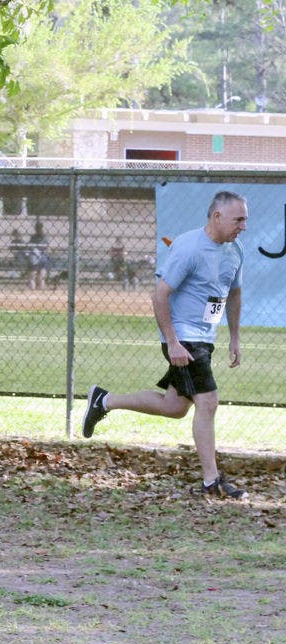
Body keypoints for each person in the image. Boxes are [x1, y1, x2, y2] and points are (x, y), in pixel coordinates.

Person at [82, 191, 249, 499]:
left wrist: (235, 336)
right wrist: (172, 342)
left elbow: (234, 294)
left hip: (204, 338)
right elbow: (159, 295)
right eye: (238, 220)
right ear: (217, 217)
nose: (243, 226)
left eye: (245, 220)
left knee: (175, 407)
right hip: (183, 338)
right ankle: (211, 481)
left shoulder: (235, 250)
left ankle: (103, 400)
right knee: (208, 401)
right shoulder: (188, 248)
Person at [25, 220, 50, 290]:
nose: (38, 229)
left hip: (39, 257)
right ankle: (37, 289)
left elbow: (30, 246)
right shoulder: (36, 237)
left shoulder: (43, 237)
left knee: (39, 275)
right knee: (36, 274)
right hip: (38, 257)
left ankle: (37, 289)